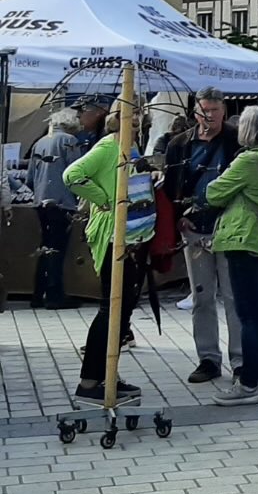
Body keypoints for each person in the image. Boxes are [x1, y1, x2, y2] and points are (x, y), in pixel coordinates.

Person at [63, 105, 155, 405]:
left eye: (142, 114)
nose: (139, 119)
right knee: (111, 307)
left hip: (134, 234)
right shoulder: (108, 145)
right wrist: (104, 199)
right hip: (114, 235)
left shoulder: (132, 146)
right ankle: (91, 379)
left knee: (123, 310)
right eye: (134, 113)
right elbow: (72, 174)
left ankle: (108, 375)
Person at [204, 106, 258, 406]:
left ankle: (248, 383)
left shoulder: (249, 160)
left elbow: (214, 193)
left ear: (248, 131)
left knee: (248, 315)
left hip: (242, 237)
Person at [163, 87, 243, 384]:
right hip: (194, 230)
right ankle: (208, 358)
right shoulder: (179, 144)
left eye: (213, 110)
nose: (207, 116)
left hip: (230, 228)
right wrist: (178, 218)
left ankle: (240, 360)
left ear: (223, 111)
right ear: (194, 112)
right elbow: (171, 186)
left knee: (234, 297)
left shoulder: (237, 140)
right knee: (201, 297)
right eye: (202, 111)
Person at [25, 107, 83, 308]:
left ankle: (37, 293)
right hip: (62, 201)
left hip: (41, 201)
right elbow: (76, 172)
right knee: (58, 248)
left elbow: (29, 177)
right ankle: (54, 295)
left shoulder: (39, 142)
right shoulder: (69, 141)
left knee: (46, 246)